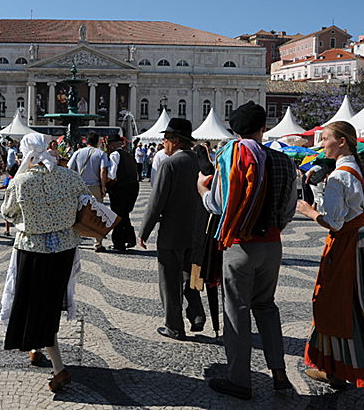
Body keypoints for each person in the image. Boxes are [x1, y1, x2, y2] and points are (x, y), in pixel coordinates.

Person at [296, 121, 364, 409]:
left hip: (348, 250)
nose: (322, 145)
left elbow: (334, 222)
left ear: (342, 142)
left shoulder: (338, 178)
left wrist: (309, 211)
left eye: (327, 139)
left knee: (349, 307)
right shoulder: (362, 172)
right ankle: (334, 368)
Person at [196, 102, 296, 400]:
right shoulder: (285, 161)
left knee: (237, 310)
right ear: (263, 127)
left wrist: (202, 189)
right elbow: (290, 209)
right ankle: (279, 374)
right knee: (266, 306)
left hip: (240, 245)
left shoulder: (232, 157)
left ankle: (239, 379)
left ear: (234, 130)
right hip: (273, 245)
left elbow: (217, 204)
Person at [0, 133, 91, 393]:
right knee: (49, 300)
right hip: (64, 250)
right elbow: (86, 202)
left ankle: (59, 368)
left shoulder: (22, 181)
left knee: (38, 306)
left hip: (33, 250)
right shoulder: (69, 175)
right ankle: (35, 349)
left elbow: (7, 212)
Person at [138, 118, 206, 341]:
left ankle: (174, 326)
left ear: (175, 141)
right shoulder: (202, 163)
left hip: (172, 233)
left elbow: (157, 201)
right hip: (197, 232)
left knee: (169, 280)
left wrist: (144, 231)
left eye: (165, 140)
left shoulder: (170, 165)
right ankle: (196, 314)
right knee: (190, 275)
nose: (163, 144)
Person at [68, 132, 110, 252]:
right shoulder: (101, 153)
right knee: (97, 214)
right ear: (97, 142)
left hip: (80, 187)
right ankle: (98, 243)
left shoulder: (77, 153)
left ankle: (75, 240)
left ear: (86, 141)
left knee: (77, 213)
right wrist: (103, 187)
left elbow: (70, 169)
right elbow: (103, 171)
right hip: (95, 186)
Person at [105, 134, 139, 251]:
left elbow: (112, 175)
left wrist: (104, 184)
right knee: (125, 214)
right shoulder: (129, 155)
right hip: (133, 187)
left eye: (109, 145)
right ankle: (130, 238)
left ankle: (119, 243)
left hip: (121, 188)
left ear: (113, 145)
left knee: (117, 215)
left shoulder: (115, 155)